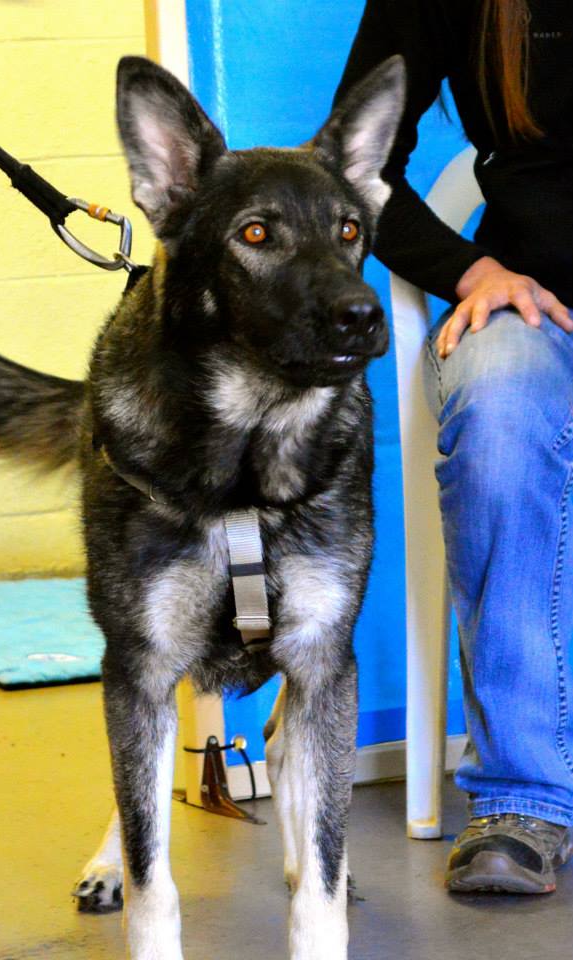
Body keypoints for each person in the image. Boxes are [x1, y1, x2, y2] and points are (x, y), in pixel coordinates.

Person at [334, 0, 573, 894]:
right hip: (537, 305)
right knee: (497, 414)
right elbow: (356, 167)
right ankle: (524, 800)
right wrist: (474, 273)